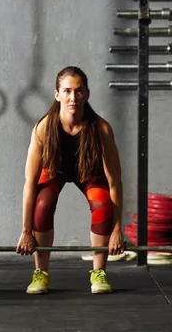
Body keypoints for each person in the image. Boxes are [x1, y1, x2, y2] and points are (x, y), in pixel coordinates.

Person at [16, 66, 124, 294]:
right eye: (66, 91)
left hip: (88, 172)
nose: (73, 97)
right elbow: (30, 182)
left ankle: (99, 273)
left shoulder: (101, 129)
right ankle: (41, 273)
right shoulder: (44, 128)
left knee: (102, 204)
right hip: (55, 171)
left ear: (87, 93)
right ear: (57, 95)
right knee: (42, 205)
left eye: (79, 91)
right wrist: (26, 231)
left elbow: (114, 183)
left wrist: (116, 229)